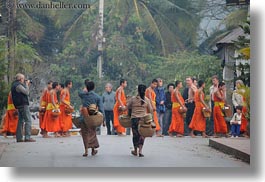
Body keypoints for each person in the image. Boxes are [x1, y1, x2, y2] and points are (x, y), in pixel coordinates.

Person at [78, 81, 105, 157]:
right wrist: (103, 120)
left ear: (87, 88)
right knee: (92, 133)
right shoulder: (97, 97)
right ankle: (93, 150)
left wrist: (84, 90)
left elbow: (79, 93)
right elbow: (101, 109)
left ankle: (86, 150)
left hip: (84, 117)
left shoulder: (83, 95)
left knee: (85, 134)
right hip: (93, 117)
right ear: (94, 87)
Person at [127, 84, 153, 157]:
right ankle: (140, 151)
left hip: (134, 119)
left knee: (135, 135)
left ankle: (135, 150)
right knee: (142, 135)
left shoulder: (133, 99)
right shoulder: (147, 100)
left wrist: (129, 114)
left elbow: (128, 107)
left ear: (137, 90)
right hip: (143, 119)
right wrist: (151, 119)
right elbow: (151, 110)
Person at [11, 73, 36, 142]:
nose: (24, 80)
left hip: (18, 105)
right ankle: (27, 137)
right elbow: (26, 92)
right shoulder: (18, 85)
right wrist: (27, 85)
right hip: (23, 104)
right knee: (28, 120)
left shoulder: (14, 85)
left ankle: (19, 138)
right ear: (20, 79)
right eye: (23, 79)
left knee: (20, 121)